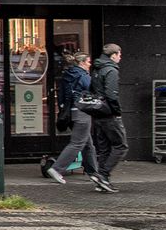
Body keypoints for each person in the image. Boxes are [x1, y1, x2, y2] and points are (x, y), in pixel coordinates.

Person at [40, 51, 98, 186]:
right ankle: (56, 169)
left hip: (70, 113)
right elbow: (94, 90)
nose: (90, 64)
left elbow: (61, 95)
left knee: (88, 144)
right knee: (77, 143)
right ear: (82, 62)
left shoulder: (67, 75)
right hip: (81, 113)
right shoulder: (83, 76)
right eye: (89, 62)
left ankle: (94, 173)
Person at [88, 43, 127, 193]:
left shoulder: (97, 69)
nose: (120, 57)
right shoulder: (111, 70)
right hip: (109, 114)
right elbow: (112, 94)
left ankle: (101, 181)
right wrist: (116, 111)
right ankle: (103, 175)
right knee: (120, 145)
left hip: (98, 113)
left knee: (104, 148)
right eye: (119, 54)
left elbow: (92, 89)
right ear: (113, 56)